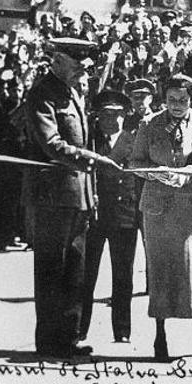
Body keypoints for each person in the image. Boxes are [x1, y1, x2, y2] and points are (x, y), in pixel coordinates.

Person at [21, 40, 120, 358]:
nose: (83, 68)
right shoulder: (42, 94)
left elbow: (82, 139)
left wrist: (91, 195)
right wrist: (93, 160)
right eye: (77, 63)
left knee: (75, 269)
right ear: (58, 60)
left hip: (78, 196)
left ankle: (69, 335)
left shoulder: (73, 92)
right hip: (52, 196)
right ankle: (49, 340)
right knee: (52, 268)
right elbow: (51, 143)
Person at [130, 74, 192, 360]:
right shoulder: (149, 124)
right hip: (158, 209)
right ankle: (160, 337)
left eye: (183, 100)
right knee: (161, 272)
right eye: (171, 100)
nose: (177, 105)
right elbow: (136, 162)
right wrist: (153, 173)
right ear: (163, 98)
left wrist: (188, 174)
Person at [80, 91, 140, 344]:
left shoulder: (133, 141)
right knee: (86, 274)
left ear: (124, 116)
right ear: (98, 117)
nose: (111, 120)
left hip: (124, 216)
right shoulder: (89, 141)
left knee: (123, 276)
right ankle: (80, 328)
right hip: (95, 214)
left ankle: (122, 330)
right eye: (105, 114)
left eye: (116, 114)